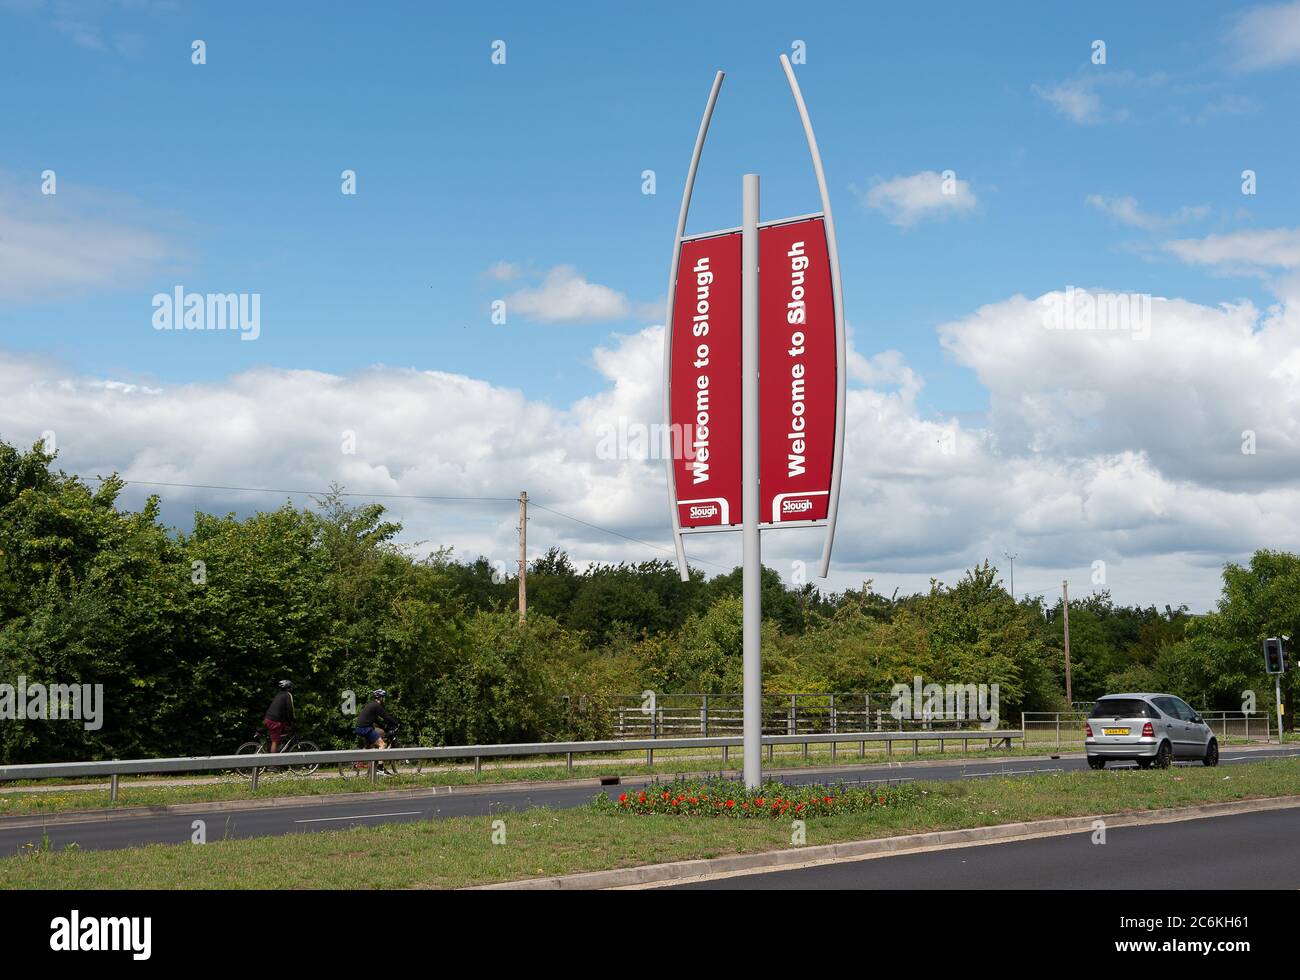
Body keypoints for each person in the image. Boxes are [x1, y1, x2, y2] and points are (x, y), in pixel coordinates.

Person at [356, 689, 398, 754]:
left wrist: (385, 727)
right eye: (384, 697)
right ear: (380, 698)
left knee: (381, 732)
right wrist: (397, 724)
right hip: (365, 729)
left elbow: (376, 720)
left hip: (361, 728)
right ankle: (380, 764)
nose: (385, 699)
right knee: (383, 745)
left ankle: (362, 758)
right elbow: (386, 717)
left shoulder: (372, 704)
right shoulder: (377, 706)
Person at [263, 680, 294, 753]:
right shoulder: (287, 695)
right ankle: (274, 763)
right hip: (274, 722)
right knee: (275, 741)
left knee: (283, 729)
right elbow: (290, 710)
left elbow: (283, 710)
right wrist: (292, 721)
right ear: (288, 688)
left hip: (269, 719)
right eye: (290, 687)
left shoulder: (278, 694)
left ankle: (277, 749)